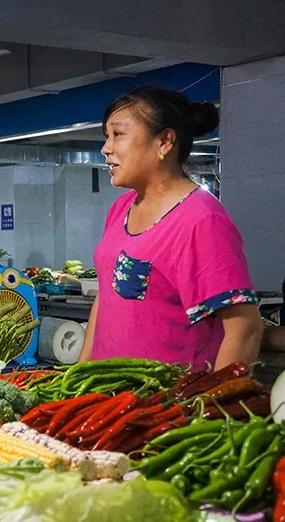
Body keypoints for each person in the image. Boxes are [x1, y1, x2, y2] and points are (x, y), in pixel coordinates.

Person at [78, 87, 263, 371]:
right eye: (106, 136)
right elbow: (105, 297)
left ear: (165, 142)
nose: (106, 148)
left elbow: (244, 328)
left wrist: (212, 405)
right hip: (107, 399)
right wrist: (80, 374)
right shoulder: (122, 208)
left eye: (118, 134)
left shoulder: (201, 220)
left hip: (168, 407)